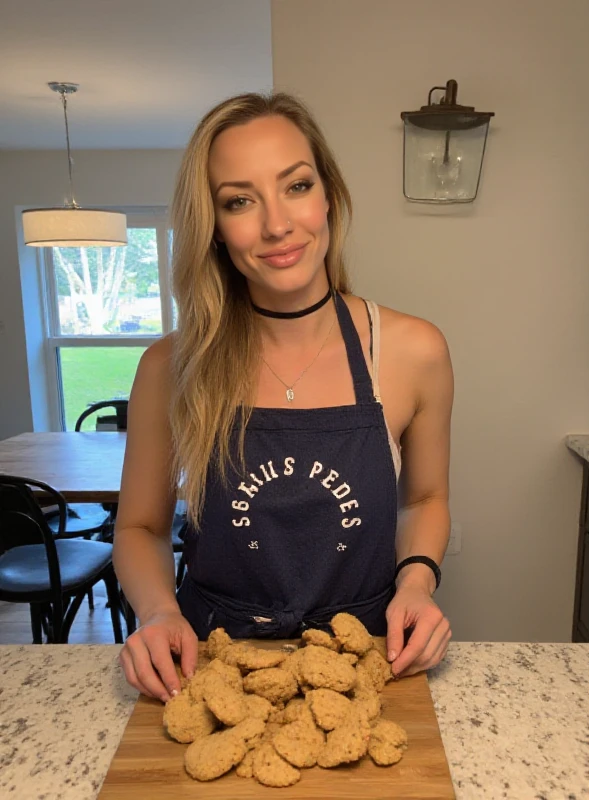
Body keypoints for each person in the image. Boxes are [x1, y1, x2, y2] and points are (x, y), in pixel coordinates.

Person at [114, 92, 454, 705]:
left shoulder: (413, 351)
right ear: (213, 228)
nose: (276, 224)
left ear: (329, 196)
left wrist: (418, 583)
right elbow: (139, 526)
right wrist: (158, 613)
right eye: (239, 201)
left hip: (366, 662)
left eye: (296, 186)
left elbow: (425, 498)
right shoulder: (170, 367)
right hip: (210, 667)